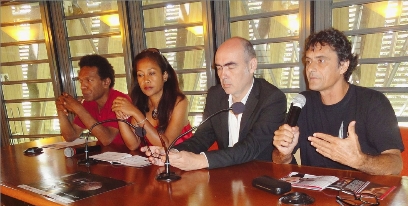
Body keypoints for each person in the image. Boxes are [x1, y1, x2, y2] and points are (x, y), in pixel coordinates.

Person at [142, 36, 287, 170]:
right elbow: (202, 138)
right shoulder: (215, 95)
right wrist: (171, 153)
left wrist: (200, 160)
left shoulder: (272, 98)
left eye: (231, 67)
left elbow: (250, 147)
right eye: (219, 67)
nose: (223, 75)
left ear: (252, 65)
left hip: (260, 175)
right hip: (226, 175)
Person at [272, 28, 403, 175]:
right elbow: (278, 160)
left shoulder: (373, 102)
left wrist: (360, 161)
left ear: (343, 66)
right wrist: (284, 153)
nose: (310, 68)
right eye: (308, 61)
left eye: (321, 61)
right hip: (315, 188)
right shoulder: (303, 102)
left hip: (362, 188)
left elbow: (395, 164)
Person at [111, 48, 192, 151]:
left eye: (152, 73)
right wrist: (120, 117)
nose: (146, 80)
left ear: (164, 76)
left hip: (183, 159)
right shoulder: (141, 103)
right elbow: (133, 144)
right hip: (155, 160)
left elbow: (166, 145)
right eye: (140, 75)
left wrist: (136, 113)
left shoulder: (179, 102)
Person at [55, 54, 130, 146]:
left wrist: (78, 108)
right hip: (104, 153)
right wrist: (61, 110)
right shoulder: (90, 102)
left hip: (127, 153)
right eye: (81, 81)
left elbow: (107, 139)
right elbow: (70, 136)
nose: (82, 86)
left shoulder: (120, 101)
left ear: (106, 82)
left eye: (89, 80)